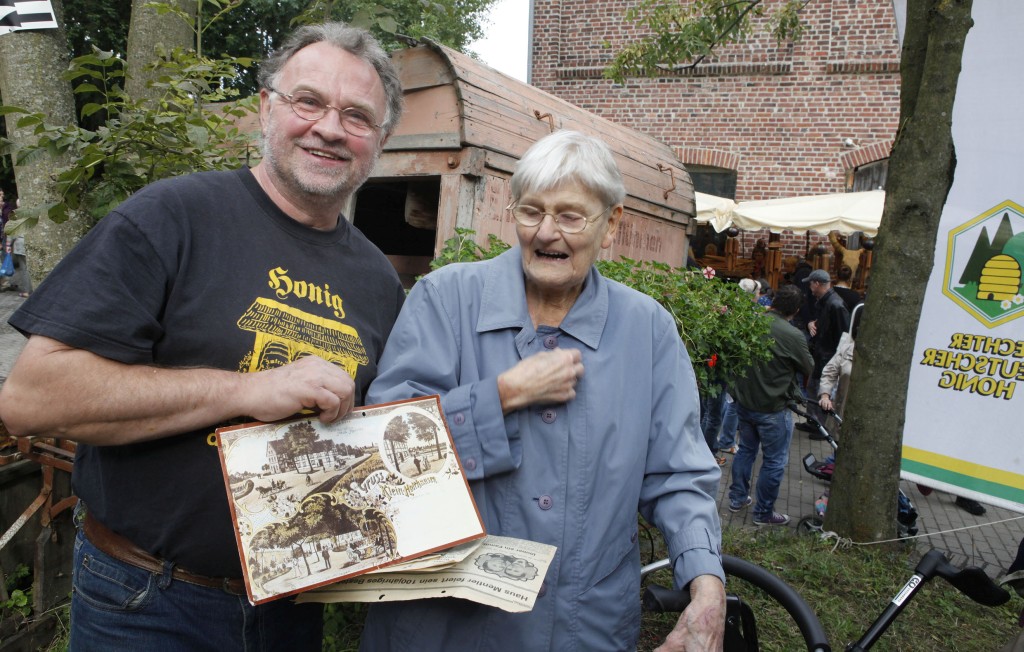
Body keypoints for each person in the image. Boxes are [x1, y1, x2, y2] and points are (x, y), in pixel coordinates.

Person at [0, 22, 406, 651]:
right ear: (266, 108)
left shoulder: (378, 280)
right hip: (146, 602)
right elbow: (32, 399)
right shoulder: (172, 216)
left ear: (380, 141)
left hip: (292, 605)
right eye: (308, 101)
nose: (330, 128)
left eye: (356, 116)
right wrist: (246, 390)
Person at [359, 130, 726, 651]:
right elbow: (381, 449)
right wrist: (501, 396)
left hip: (582, 630)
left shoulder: (648, 331)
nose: (546, 233)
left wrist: (706, 584)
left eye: (571, 217)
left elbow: (679, 476)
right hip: (445, 629)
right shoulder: (446, 299)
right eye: (531, 211)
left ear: (611, 224)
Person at [727, 284, 814, 526]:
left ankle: (736, 499)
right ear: (796, 310)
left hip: (746, 402)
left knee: (746, 451)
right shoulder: (793, 335)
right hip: (773, 407)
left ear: (774, 301)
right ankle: (763, 513)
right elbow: (808, 367)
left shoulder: (751, 322)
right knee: (774, 461)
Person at [797, 268, 850, 433]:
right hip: (821, 354)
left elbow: (843, 335)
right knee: (813, 388)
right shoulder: (827, 302)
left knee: (822, 390)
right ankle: (813, 422)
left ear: (817, 284)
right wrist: (814, 323)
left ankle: (822, 427)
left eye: (811, 285)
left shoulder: (835, 305)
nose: (810, 289)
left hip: (827, 357)